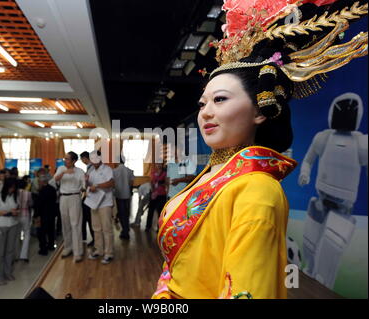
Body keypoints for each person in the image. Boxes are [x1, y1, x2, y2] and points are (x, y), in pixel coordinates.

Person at [152, 0, 367, 299]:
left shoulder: (257, 191)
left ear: (259, 111)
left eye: (221, 100)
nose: (205, 112)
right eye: (203, 103)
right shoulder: (213, 174)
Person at [54, 151, 85, 262]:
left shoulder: (80, 171)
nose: (65, 160)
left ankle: (78, 252)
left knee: (75, 224)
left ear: (74, 161)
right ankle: (68, 247)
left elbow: (84, 186)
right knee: (65, 224)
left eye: (67, 159)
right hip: (63, 198)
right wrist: (65, 173)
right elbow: (55, 179)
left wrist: (86, 181)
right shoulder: (61, 168)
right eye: (65, 158)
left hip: (75, 197)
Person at [85, 151, 115, 264]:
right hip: (94, 203)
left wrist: (97, 186)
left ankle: (109, 253)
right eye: (91, 159)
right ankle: (99, 250)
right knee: (96, 228)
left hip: (105, 203)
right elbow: (89, 185)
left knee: (106, 229)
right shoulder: (92, 171)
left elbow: (111, 183)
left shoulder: (107, 169)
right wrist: (86, 181)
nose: (93, 161)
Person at [0, 178, 20, 285]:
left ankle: (8, 273)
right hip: (0, 226)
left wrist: (16, 212)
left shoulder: (15, 196)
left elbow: (17, 209)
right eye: (11, 188)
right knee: (0, 252)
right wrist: (5, 212)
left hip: (13, 224)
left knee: (10, 251)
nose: (12, 190)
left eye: (14, 188)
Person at [34, 175, 58, 256]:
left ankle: (43, 249)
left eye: (39, 182)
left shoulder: (41, 191)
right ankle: (51, 246)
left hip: (42, 215)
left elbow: (39, 204)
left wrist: (36, 215)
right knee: (51, 231)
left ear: (42, 182)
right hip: (51, 213)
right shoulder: (52, 189)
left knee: (42, 233)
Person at [113, 157, 134, 239]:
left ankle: (125, 231)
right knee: (126, 213)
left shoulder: (114, 171)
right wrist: (130, 191)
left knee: (121, 213)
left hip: (119, 194)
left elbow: (113, 183)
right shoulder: (129, 170)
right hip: (127, 194)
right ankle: (126, 228)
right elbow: (131, 183)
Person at [145, 163, 166, 232]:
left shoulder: (164, 173)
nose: (159, 165)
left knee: (160, 212)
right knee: (150, 211)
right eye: (157, 164)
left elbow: (166, 183)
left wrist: (161, 183)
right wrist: (152, 188)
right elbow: (151, 182)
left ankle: (159, 228)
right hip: (154, 195)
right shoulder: (153, 172)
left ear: (162, 165)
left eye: (160, 164)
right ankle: (148, 226)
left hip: (162, 195)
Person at [16, 178, 33, 263]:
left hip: (16, 215)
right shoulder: (28, 193)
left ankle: (16, 254)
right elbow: (30, 204)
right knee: (26, 234)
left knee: (16, 234)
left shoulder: (15, 193)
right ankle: (24, 255)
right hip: (25, 215)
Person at [80, 151, 94, 246]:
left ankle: (94, 239)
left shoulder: (92, 168)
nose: (82, 161)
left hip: (90, 196)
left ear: (85, 158)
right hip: (87, 195)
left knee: (89, 218)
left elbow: (90, 182)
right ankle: (83, 237)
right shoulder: (89, 168)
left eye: (82, 159)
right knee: (85, 217)